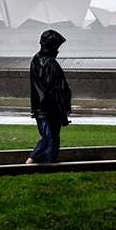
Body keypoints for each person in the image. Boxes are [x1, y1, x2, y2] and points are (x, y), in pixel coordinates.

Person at [26, 29, 72, 164]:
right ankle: (47, 166)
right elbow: (56, 89)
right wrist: (62, 111)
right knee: (52, 140)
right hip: (51, 109)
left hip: (40, 107)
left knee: (46, 138)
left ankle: (30, 162)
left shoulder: (36, 59)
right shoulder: (51, 64)